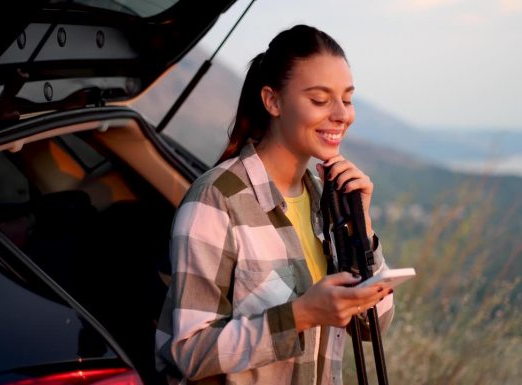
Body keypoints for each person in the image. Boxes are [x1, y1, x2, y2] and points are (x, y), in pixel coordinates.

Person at [155, 24, 394, 385]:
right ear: (273, 101)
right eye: (319, 100)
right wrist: (300, 315)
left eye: (347, 98)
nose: (341, 114)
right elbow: (189, 352)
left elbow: (372, 326)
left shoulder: (327, 198)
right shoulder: (217, 199)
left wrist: (362, 227)